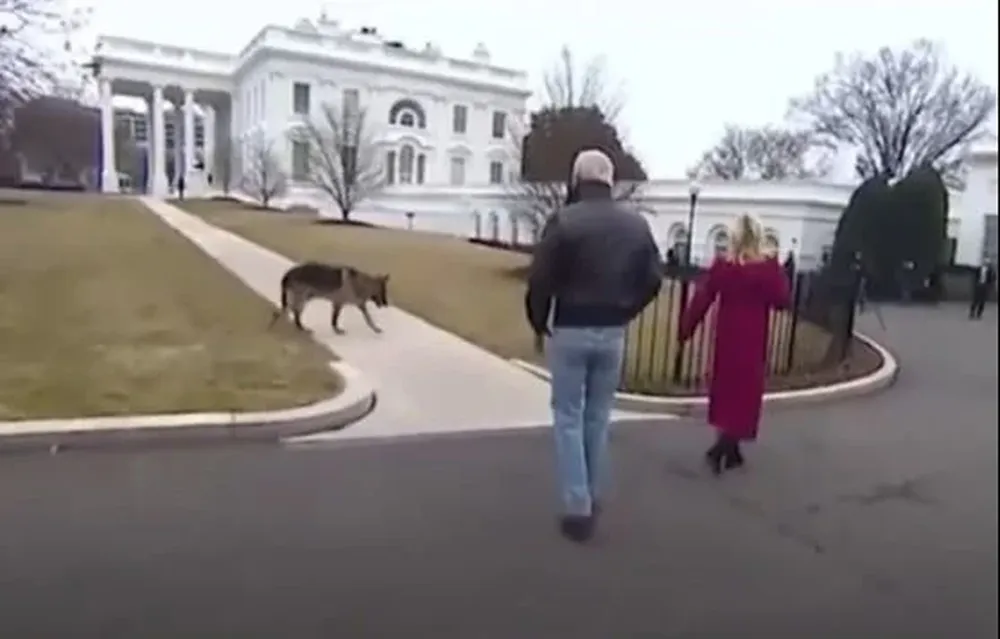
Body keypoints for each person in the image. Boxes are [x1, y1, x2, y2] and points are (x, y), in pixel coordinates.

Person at [525, 149, 662, 543]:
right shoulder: (635, 224)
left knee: (568, 415)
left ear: (576, 179)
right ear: (611, 179)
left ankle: (578, 505)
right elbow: (654, 278)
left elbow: (541, 279)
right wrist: (628, 308)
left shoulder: (564, 222)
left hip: (571, 327)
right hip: (613, 329)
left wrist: (539, 320)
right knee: (598, 416)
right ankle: (594, 491)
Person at [678, 214, 791, 475]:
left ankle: (729, 448)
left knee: (727, 389)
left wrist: (686, 329)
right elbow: (782, 301)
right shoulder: (767, 270)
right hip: (753, 336)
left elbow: (702, 298)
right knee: (746, 392)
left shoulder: (724, 267)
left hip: (727, 336)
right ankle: (723, 448)